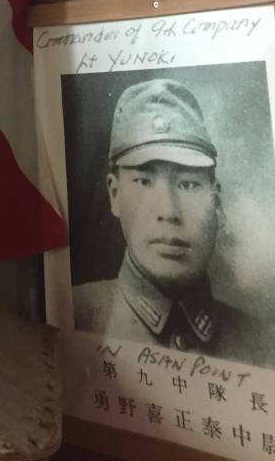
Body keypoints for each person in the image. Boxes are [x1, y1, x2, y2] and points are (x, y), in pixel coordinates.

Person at [73, 77, 270, 365]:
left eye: (188, 184)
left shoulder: (266, 345)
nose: (168, 211)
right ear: (114, 194)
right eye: (144, 181)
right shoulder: (70, 314)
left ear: (217, 203)